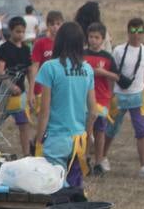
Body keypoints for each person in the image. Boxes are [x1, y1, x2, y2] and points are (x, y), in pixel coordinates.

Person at [32, 22, 96, 188]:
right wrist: (87, 136)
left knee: (53, 187)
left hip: (56, 138)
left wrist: (39, 139)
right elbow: (93, 111)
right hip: (78, 139)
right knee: (74, 189)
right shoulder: (88, 69)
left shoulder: (50, 67)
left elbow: (45, 111)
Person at [110, 18, 144, 177]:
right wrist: (111, 92)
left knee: (143, 130)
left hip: (138, 96)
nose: (136, 35)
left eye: (139, 31)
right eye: (133, 31)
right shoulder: (118, 50)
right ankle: (101, 157)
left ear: (143, 32)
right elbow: (112, 72)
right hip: (119, 95)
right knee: (110, 128)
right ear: (128, 31)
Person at [83, 23, 120, 176]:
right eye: (91, 37)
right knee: (86, 130)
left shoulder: (108, 57)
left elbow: (117, 77)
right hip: (84, 98)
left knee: (100, 130)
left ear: (103, 39)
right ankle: (84, 159)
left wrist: (103, 72)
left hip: (102, 98)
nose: (93, 40)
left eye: (97, 37)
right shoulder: (82, 55)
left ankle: (99, 161)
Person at [0, 17, 36, 157]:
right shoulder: (4, 48)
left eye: (23, 32)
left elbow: (30, 71)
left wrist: (31, 91)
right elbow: (0, 71)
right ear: (11, 31)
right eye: (17, 31)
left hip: (19, 97)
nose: (20, 35)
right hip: (2, 94)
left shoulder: (26, 49)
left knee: (24, 124)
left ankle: (26, 154)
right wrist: (10, 85)